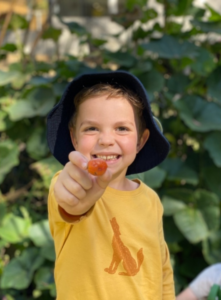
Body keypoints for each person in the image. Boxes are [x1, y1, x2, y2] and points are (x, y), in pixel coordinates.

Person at [46, 70, 175, 300]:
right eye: (91, 128)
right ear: (74, 139)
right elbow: (71, 203)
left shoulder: (151, 201)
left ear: (140, 141)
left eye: (122, 128)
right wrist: (79, 200)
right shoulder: (70, 184)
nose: (106, 139)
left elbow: (162, 271)